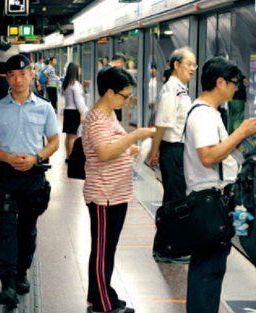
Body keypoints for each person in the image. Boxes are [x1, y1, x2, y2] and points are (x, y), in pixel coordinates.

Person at [0, 54, 59, 308]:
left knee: (27, 230)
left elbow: (54, 141)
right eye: (12, 75)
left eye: (22, 74)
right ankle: (8, 283)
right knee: (5, 230)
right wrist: (7, 157)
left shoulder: (45, 107)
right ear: (7, 78)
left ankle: (22, 272)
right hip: (5, 177)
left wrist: (37, 158)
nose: (17, 80)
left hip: (34, 178)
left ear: (31, 75)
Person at [183, 57, 256, 313]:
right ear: (220, 82)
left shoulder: (208, 112)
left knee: (211, 270)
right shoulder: (203, 114)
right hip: (208, 205)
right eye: (234, 83)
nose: (237, 88)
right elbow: (208, 157)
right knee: (207, 272)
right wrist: (241, 133)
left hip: (211, 203)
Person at [82, 67, 155, 313]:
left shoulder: (109, 114)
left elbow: (111, 146)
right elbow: (103, 152)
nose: (127, 100)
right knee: (103, 251)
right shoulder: (98, 118)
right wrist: (135, 136)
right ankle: (102, 305)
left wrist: (130, 149)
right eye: (125, 96)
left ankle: (102, 294)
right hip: (105, 196)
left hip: (115, 194)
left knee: (107, 249)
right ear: (110, 93)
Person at [147, 47, 196, 264]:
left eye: (194, 65)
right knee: (174, 200)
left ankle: (166, 245)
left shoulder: (181, 89)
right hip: (172, 149)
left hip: (179, 150)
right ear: (176, 65)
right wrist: (154, 152)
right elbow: (161, 124)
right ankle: (166, 248)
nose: (193, 69)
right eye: (189, 64)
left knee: (175, 198)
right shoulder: (171, 90)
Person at [62, 62, 86, 160]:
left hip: (67, 110)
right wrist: (81, 113)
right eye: (79, 69)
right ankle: (71, 157)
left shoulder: (66, 83)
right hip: (74, 111)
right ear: (75, 71)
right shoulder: (75, 84)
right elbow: (78, 100)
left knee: (68, 136)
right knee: (73, 136)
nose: (80, 71)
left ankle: (68, 156)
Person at [97, 53, 128, 121]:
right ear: (118, 62)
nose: (121, 67)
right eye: (121, 65)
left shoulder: (102, 70)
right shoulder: (112, 72)